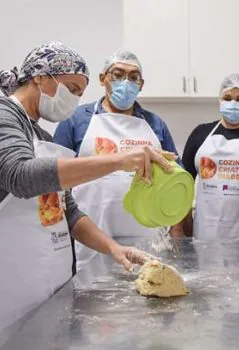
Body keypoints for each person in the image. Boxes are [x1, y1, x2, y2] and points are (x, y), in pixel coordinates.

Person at [0, 42, 171, 350]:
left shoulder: (41, 137)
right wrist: (119, 160)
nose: (75, 100)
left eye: (79, 93)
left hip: (34, 280)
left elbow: (68, 211)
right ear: (41, 77)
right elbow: (19, 176)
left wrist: (114, 248)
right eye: (72, 88)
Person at [53, 51, 182, 270]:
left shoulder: (155, 124)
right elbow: (55, 176)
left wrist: (177, 230)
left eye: (134, 77)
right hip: (93, 235)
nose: (126, 82)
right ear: (103, 79)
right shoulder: (76, 120)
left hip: (148, 235)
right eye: (118, 75)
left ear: (141, 85)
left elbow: (175, 180)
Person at [181, 73, 239, 239]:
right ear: (220, 100)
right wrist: (183, 221)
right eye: (228, 97)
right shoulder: (200, 134)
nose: (233, 103)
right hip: (205, 234)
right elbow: (182, 183)